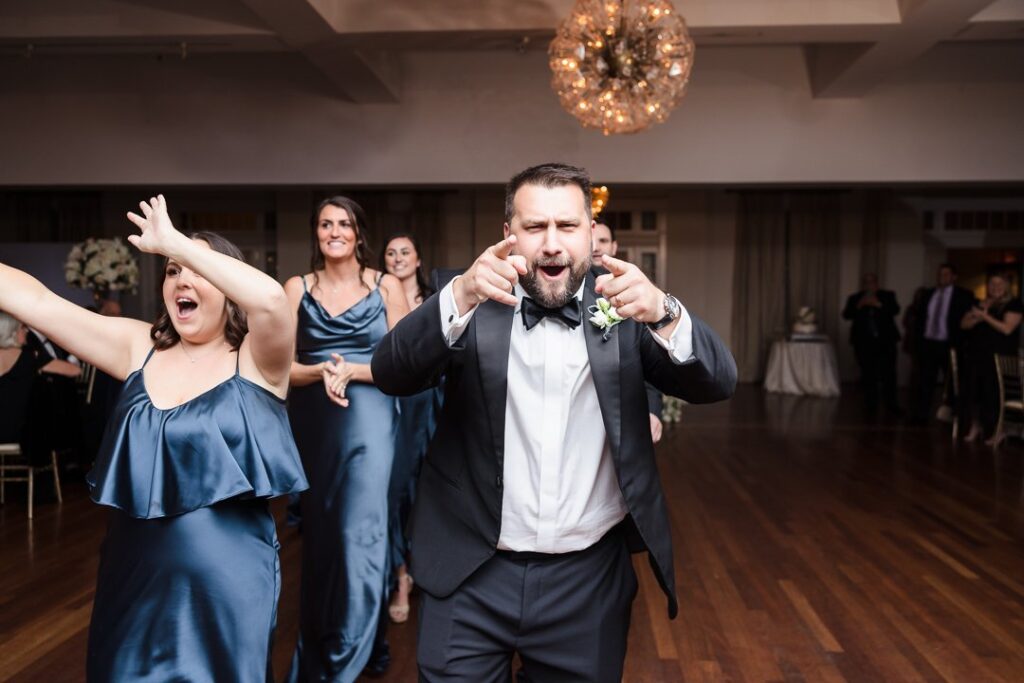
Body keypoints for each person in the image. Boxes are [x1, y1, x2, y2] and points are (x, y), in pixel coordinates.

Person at [372, 163, 736, 681]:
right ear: (508, 235)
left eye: (566, 226)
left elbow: (717, 382)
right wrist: (460, 296)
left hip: (586, 584)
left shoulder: (626, 309)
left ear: (590, 232)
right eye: (534, 226)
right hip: (469, 572)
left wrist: (664, 310)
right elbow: (391, 372)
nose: (551, 244)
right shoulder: (470, 297)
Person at [0, 195, 307, 681]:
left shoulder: (257, 360)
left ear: (227, 284)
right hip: (132, 575)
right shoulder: (137, 348)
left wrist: (177, 245)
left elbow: (270, 300)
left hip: (225, 589)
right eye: (170, 271)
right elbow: (36, 301)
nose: (182, 279)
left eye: (196, 271)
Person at [284, 196, 409, 682]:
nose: (334, 231)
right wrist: (317, 371)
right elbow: (277, 368)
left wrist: (353, 371)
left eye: (343, 224)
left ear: (359, 232)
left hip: (372, 417)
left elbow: (403, 365)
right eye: (324, 224)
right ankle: (331, 638)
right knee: (322, 536)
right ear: (315, 233)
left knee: (361, 531)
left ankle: (346, 659)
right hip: (315, 421)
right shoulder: (296, 287)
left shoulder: (387, 286)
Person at [380, 233, 441, 625]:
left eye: (405, 251)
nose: (398, 258)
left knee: (431, 494)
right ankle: (400, 578)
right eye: (391, 253)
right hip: (391, 409)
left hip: (433, 407)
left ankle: (431, 572)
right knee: (394, 494)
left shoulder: (437, 301)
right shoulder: (374, 300)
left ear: (418, 259)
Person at [592, 221, 666, 442]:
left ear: (614, 247)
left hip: (623, 414)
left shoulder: (635, 290)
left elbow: (648, 358)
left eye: (603, 241)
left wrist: (652, 409)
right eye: (590, 240)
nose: (595, 247)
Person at [959, 272, 1023, 446]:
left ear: (1007, 286)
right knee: (973, 392)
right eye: (992, 284)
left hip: (999, 357)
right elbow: (964, 325)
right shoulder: (980, 303)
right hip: (977, 354)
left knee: (994, 394)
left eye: (999, 284)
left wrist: (984, 317)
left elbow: (1007, 329)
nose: (995, 287)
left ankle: (998, 430)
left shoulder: (1014, 304)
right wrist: (977, 317)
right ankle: (976, 426)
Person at [0, 312, 80, 449]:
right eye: (22, 328)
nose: (26, 331)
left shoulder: (30, 357)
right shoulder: (30, 357)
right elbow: (74, 371)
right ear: (11, 332)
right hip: (19, 434)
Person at [908, 263, 974, 424]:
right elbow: (920, 319)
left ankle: (952, 415)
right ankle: (921, 415)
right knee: (924, 380)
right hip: (928, 344)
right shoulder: (928, 294)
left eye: (946, 274)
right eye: (940, 274)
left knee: (952, 381)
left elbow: (968, 320)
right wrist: (918, 342)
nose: (942, 277)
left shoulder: (964, 295)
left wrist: (963, 343)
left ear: (954, 277)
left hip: (950, 345)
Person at [842, 273, 902, 415]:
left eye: (872, 282)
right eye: (866, 282)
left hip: (885, 342)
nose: (869, 285)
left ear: (876, 283)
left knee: (889, 374)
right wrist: (859, 305)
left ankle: (891, 406)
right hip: (863, 343)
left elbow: (895, 310)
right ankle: (871, 406)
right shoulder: (855, 298)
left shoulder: (888, 295)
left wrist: (878, 304)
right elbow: (846, 315)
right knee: (868, 375)